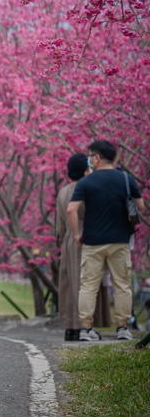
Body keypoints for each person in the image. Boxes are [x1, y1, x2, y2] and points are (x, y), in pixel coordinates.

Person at [68, 140, 145, 342]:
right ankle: (123, 328)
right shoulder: (126, 180)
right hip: (119, 241)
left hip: (93, 242)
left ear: (97, 158)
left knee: (88, 286)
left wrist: (77, 234)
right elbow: (141, 206)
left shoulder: (86, 182)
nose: (89, 160)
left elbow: (71, 210)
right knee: (122, 285)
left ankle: (85, 329)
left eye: (90, 155)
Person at [55, 152, 90, 341]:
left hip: (67, 238)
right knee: (83, 282)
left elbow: (59, 225)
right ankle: (81, 325)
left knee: (68, 283)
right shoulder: (86, 189)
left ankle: (69, 326)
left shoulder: (62, 191)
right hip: (82, 237)